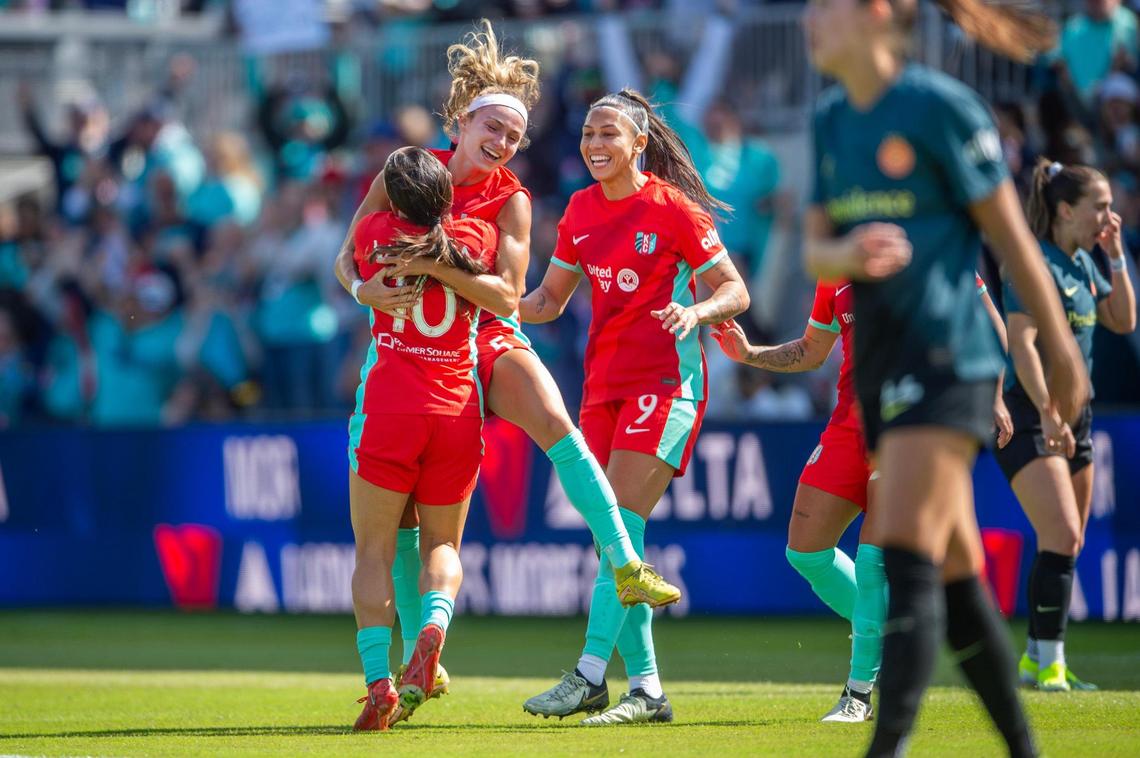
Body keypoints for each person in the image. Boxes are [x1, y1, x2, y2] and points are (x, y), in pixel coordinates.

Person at [334, 19, 680, 714]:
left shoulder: (512, 198)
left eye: (514, 136)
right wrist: (359, 289)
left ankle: (624, 560)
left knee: (550, 415)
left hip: (482, 333)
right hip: (417, 349)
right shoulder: (408, 172)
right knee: (407, 529)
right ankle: (418, 671)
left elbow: (509, 298)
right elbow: (347, 256)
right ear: (460, 122)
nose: (503, 144)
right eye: (492, 128)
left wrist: (415, 268)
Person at [800, 0, 1089, 755]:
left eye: (820, 5)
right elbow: (814, 248)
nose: (806, 18)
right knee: (957, 582)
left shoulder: (940, 109)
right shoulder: (830, 118)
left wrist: (1060, 351)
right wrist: (848, 255)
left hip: (951, 359)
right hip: (883, 368)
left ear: (874, 14)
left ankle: (883, 741)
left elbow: (1012, 239)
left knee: (901, 547)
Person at [518, 88, 750, 725]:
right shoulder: (580, 210)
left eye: (608, 135)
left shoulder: (672, 208)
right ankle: (645, 690)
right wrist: (477, 298)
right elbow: (546, 303)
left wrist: (696, 310)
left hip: (667, 385)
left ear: (639, 144)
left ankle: (590, 674)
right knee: (616, 542)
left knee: (619, 519)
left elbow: (735, 289)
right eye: (589, 134)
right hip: (603, 389)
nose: (594, 145)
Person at [712, 273, 1010, 723]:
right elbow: (812, 352)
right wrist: (750, 354)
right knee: (805, 550)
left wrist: (995, 395)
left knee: (873, 564)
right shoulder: (835, 267)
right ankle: (894, 629)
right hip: (851, 423)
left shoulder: (928, 239)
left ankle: (859, 694)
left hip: (911, 422)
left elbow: (991, 324)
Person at [348, 146, 498, 732]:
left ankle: (379, 686)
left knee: (374, 552)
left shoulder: (373, 232)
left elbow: (355, 254)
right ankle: (435, 626)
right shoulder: (477, 237)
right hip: (456, 406)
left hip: (391, 405)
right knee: (443, 547)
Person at [995, 159, 1136, 692]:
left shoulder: (1084, 263)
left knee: (1066, 543)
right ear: (1064, 210)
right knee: (1063, 532)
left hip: (1079, 414)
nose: (1109, 215)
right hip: (1031, 412)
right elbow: (1022, 346)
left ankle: (1038, 656)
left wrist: (1116, 255)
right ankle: (1048, 662)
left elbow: (1122, 321)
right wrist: (1050, 413)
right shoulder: (1038, 264)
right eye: (1099, 206)